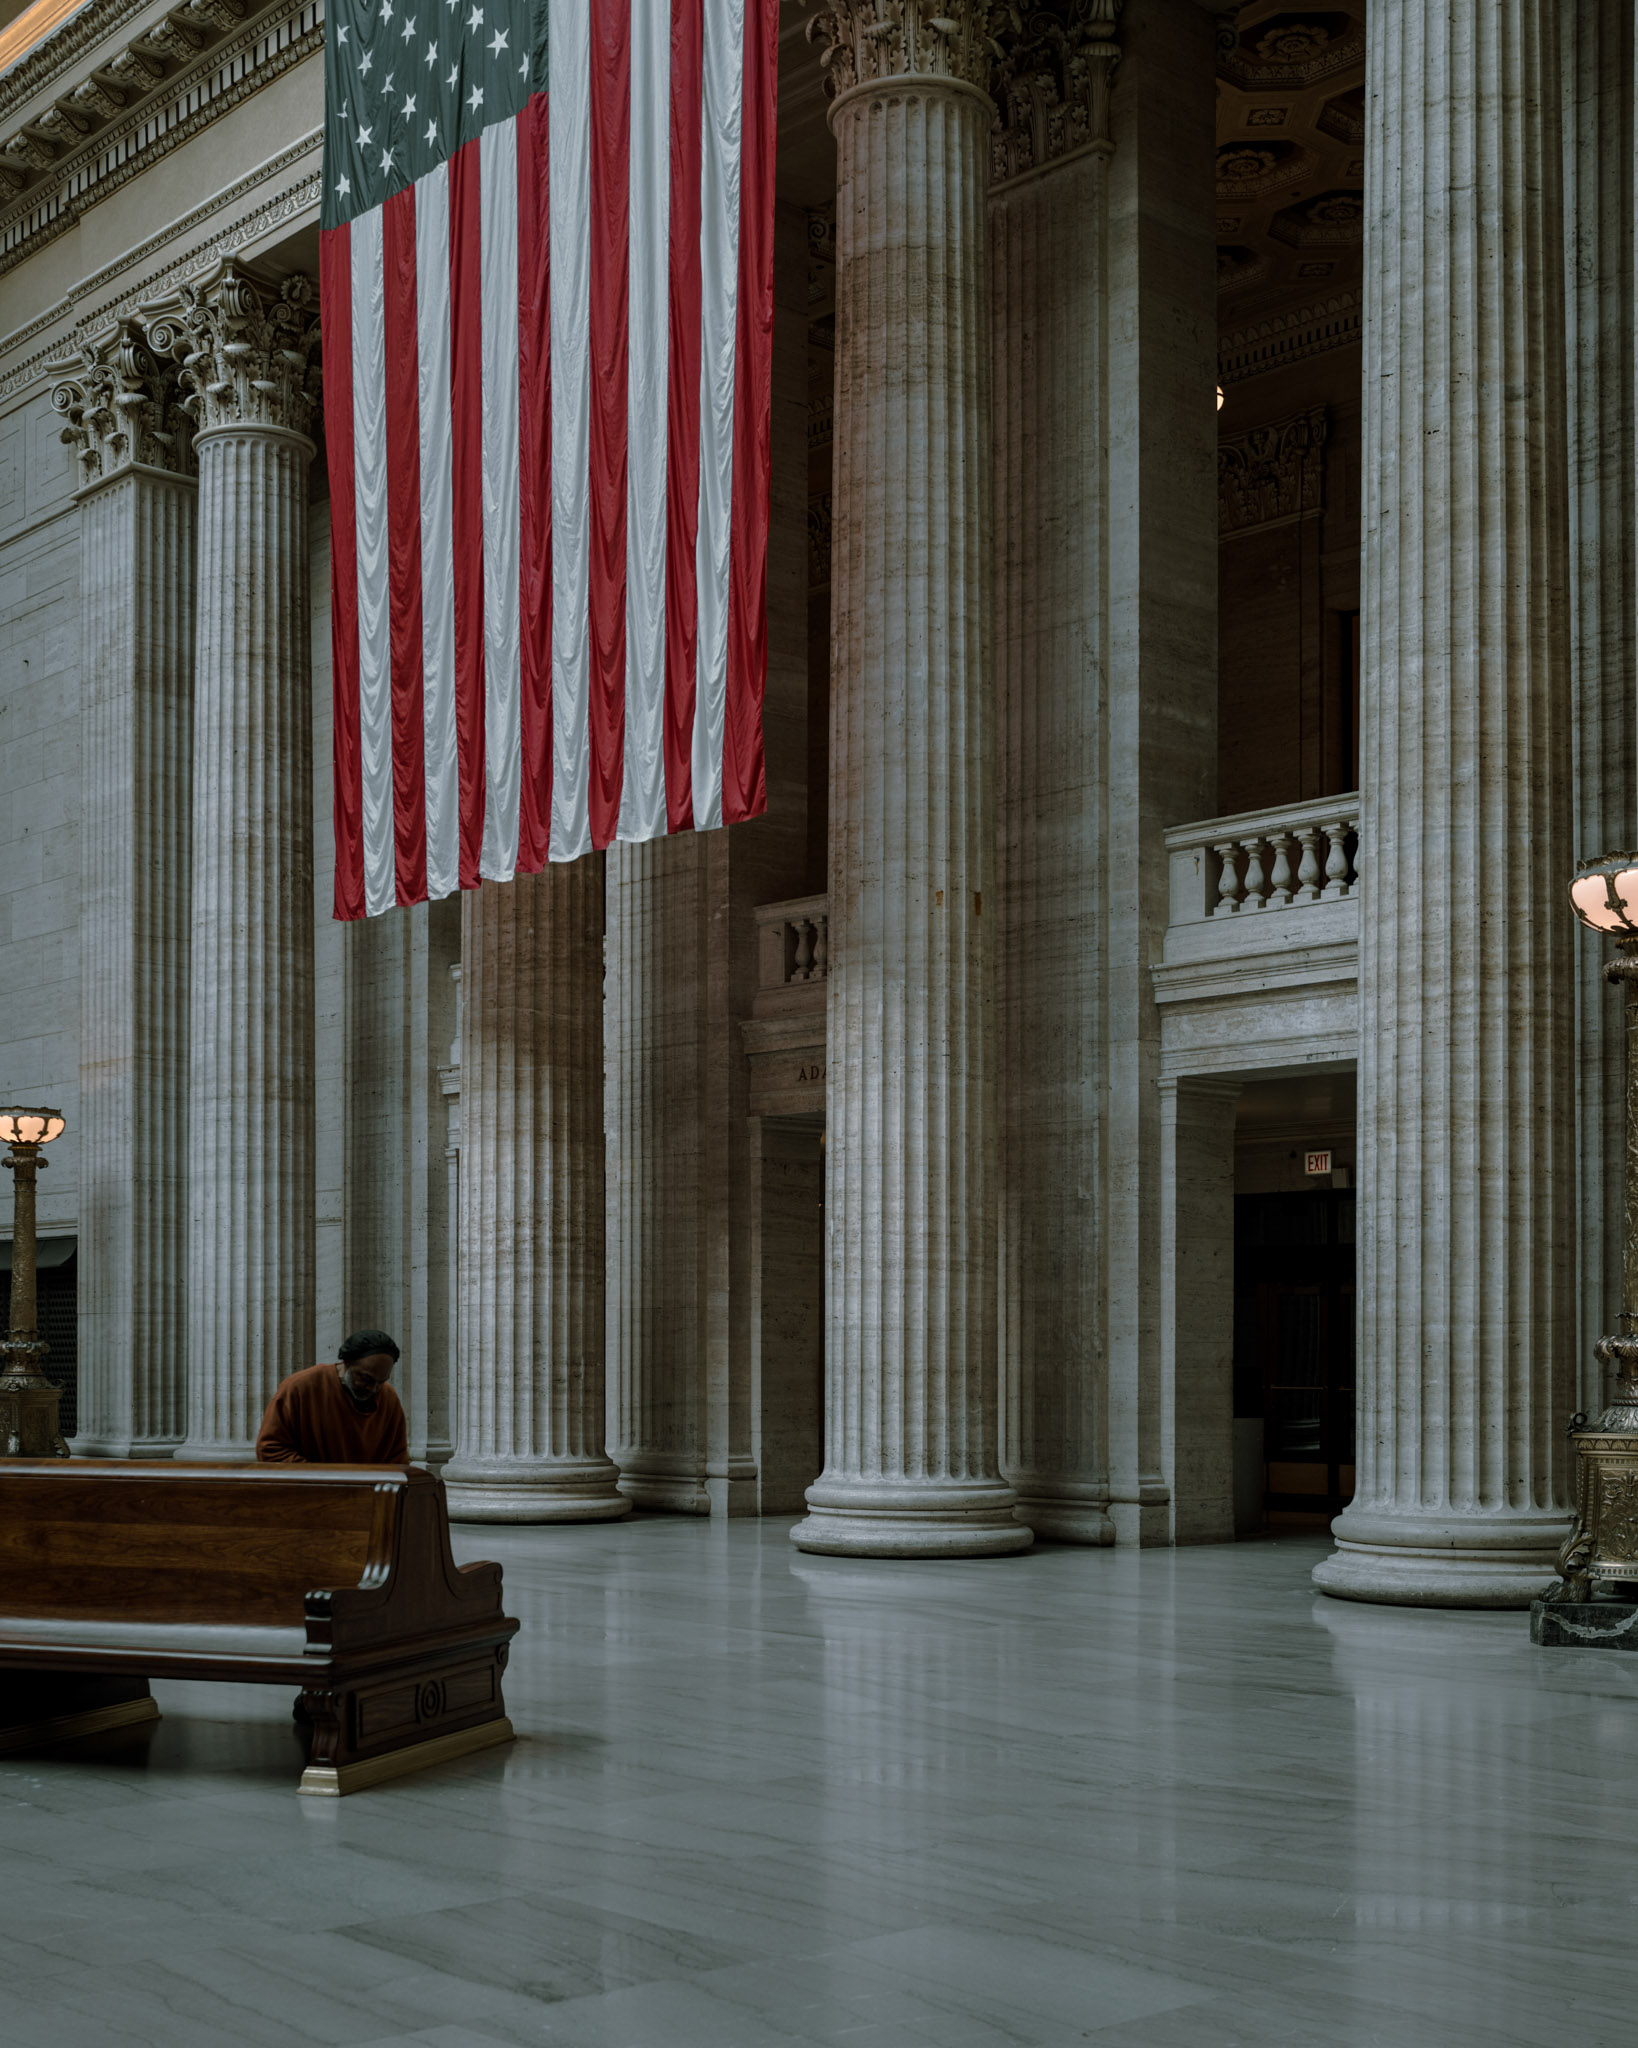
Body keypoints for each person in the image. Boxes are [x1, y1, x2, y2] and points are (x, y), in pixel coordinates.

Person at [255, 1329, 410, 1465]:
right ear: (347, 1362)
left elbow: (398, 1459)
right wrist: (325, 1478)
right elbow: (270, 1449)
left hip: (369, 1496)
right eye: (365, 1378)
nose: (373, 1389)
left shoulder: (389, 1398)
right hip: (312, 1494)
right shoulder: (299, 1388)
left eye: (381, 1382)